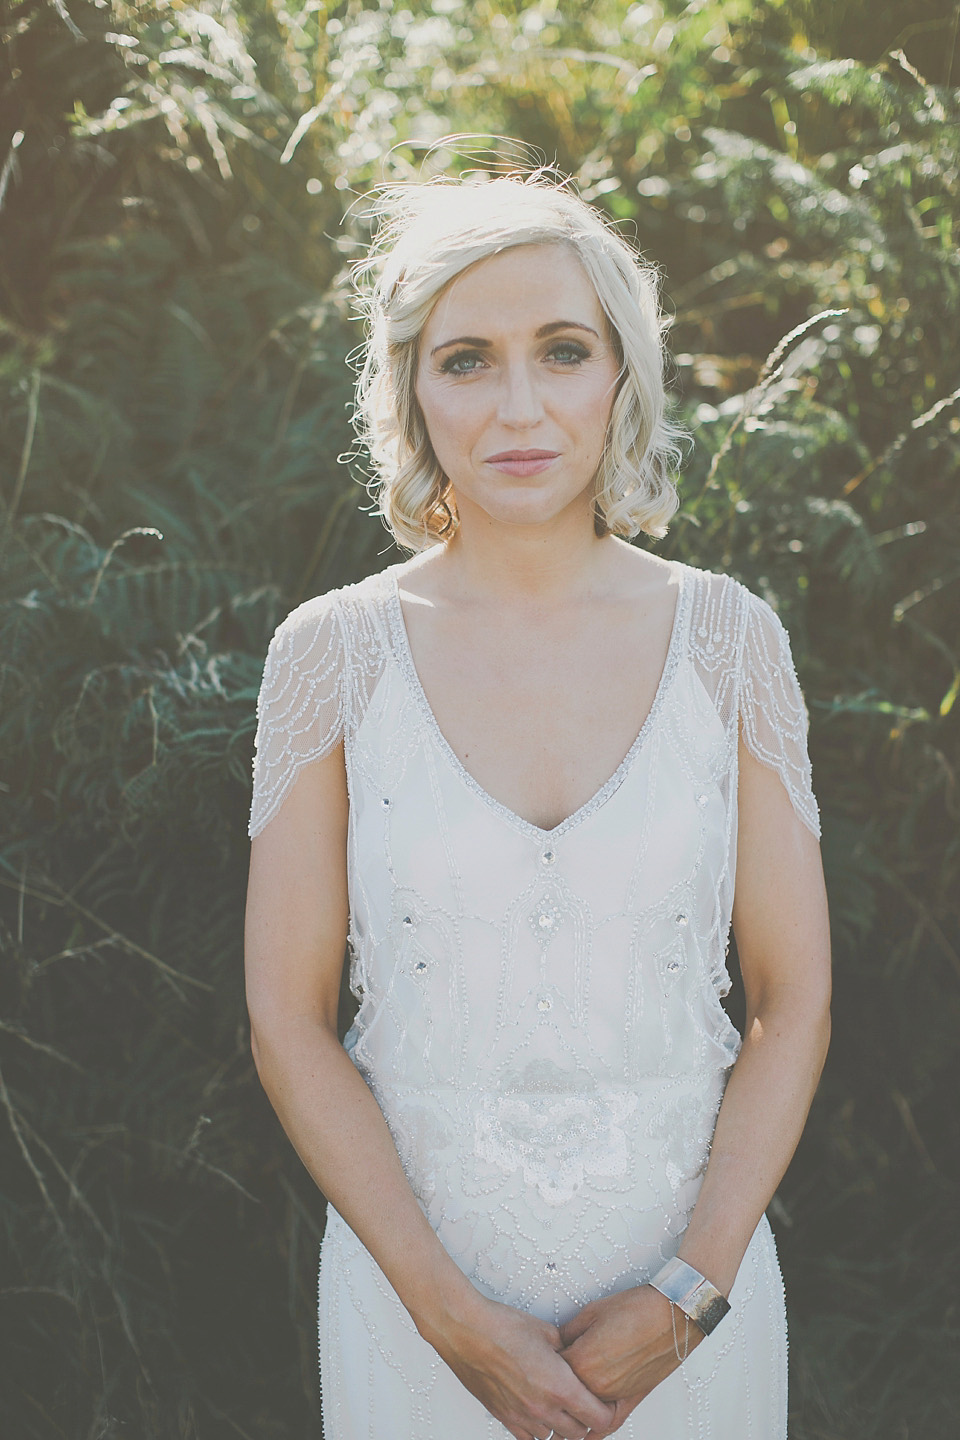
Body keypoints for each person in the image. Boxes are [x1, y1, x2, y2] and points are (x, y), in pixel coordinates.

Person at [243, 163, 832, 1440]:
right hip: (417, 1325)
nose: (520, 407)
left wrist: (691, 1292)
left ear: (621, 373)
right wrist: (450, 1319)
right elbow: (287, 1024)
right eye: (467, 360)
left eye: (562, 351)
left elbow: (792, 1003)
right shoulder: (330, 655)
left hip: (694, 1314)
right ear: (410, 387)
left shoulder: (731, 641)